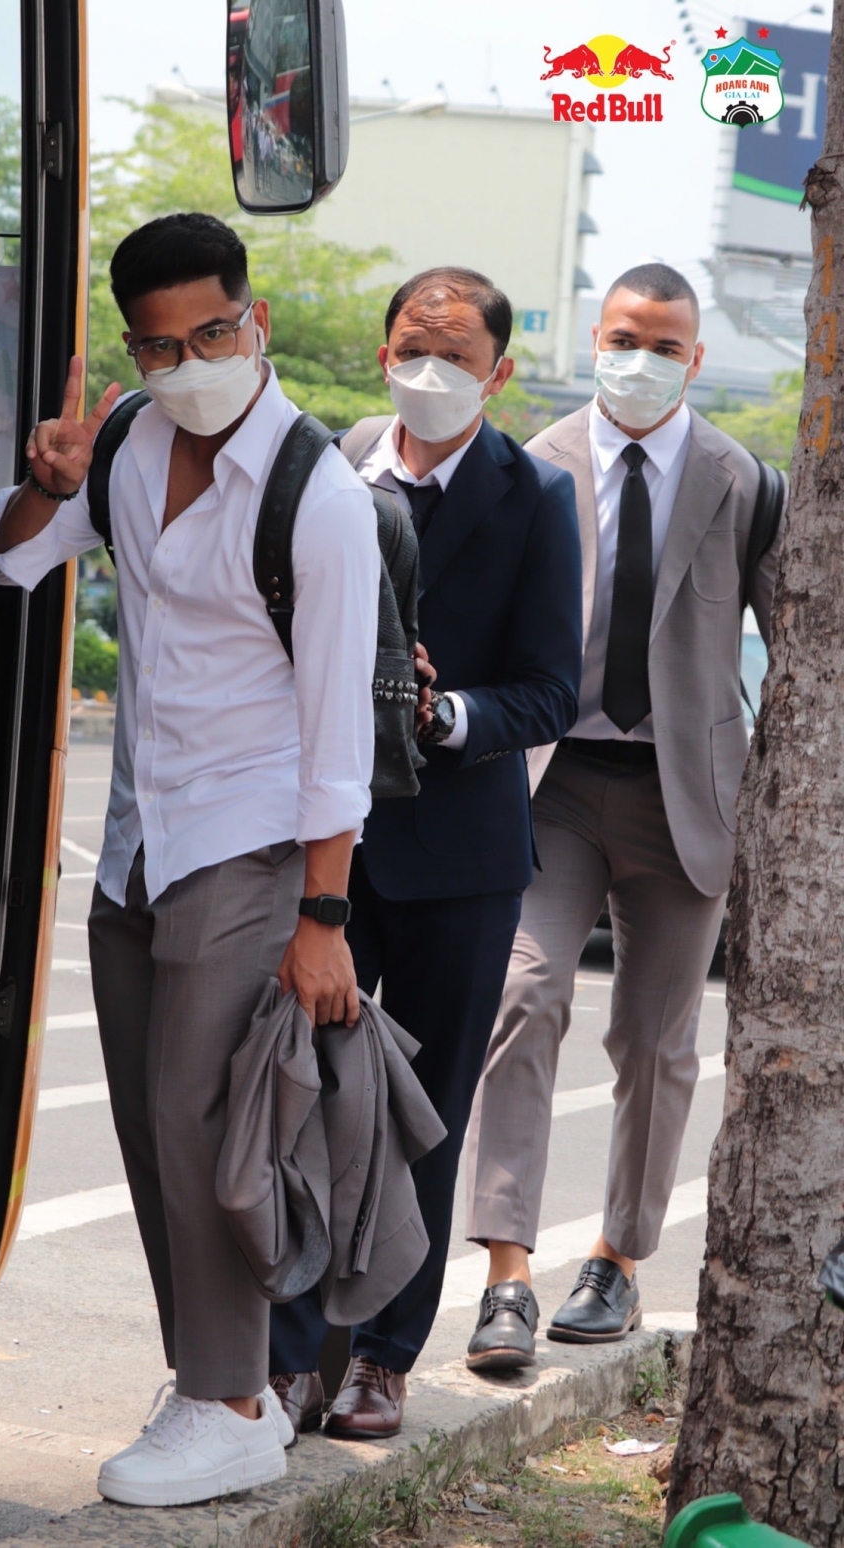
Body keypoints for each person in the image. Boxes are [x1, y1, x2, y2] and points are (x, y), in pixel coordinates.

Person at [0, 212, 380, 1506]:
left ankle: (224, 1397)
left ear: (253, 319)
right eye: (166, 345)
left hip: (253, 845)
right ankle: (225, 1389)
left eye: (216, 331)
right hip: (139, 846)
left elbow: (339, 733)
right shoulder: (125, 446)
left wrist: (321, 913)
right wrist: (50, 476)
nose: (194, 360)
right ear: (137, 352)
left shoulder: (317, 494)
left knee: (200, 1120)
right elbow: (9, 565)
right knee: (161, 1138)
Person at [267, 266, 583, 1439]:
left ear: (500, 373)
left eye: (458, 356)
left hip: (459, 854)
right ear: (382, 350)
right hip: (323, 849)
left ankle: (384, 1359)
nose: (431, 372)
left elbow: (551, 689)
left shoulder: (535, 495)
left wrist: (446, 717)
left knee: (423, 1113)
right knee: (302, 1103)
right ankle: (293, 1350)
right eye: (414, 346)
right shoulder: (331, 466)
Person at [464, 263, 782, 1369]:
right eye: (622, 337)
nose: (638, 361)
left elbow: (788, 651)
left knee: (657, 1042)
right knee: (525, 992)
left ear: (696, 358)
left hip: (685, 798)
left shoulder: (744, 483)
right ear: (595, 338)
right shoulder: (533, 468)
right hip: (553, 786)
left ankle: (618, 1259)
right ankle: (505, 1272)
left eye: (664, 344)